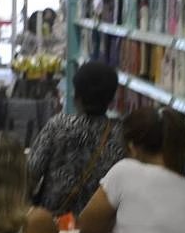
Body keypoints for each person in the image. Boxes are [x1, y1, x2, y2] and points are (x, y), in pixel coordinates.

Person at [26, 61, 127, 219]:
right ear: (111, 98)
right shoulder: (121, 133)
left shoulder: (58, 126)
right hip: (100, 223)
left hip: (53, 221)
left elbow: (31, 172)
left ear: (77, 96)